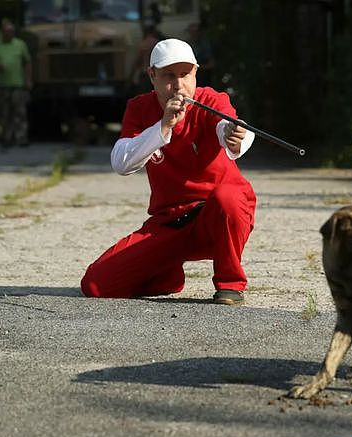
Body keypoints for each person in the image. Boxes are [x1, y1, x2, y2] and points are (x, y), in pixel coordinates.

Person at [81, 39, 256, 305]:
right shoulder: (139, 108)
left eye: (186, 75)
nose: (178, 85)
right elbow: (121, 163)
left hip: (215, 217)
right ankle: (167, 275)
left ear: (196, 74)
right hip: (169, 223)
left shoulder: (212, 100)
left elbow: (230, 127)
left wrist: (234, 135)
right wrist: (163, 128)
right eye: (168, 76)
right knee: (95, 284)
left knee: (228, 197)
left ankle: (230, 285)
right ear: (151, 76)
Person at [0, 18, 32, 149]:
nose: (10, 33)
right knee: (4, 113)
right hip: (1, 85)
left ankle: (21, 137)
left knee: (20, 111)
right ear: (2, 32)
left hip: (18, 83)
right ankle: (7, 137)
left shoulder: (20, 44)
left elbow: (27, 62)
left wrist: (28, 79)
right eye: (7, 31)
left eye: (12, 31)